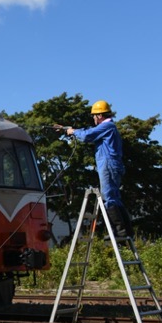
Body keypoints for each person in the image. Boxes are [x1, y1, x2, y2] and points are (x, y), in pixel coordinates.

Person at [55, 100, 133, 238]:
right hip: (112, 164)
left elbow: (87, 135)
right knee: (115, 198)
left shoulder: (107, 126)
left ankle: (119, 232)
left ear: (99, 116)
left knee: (108, 197)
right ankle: (126, 231)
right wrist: (69, 130)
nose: (93, 118)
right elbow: (89, 132)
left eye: (94, 116)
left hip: (108, 164)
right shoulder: (109, 127)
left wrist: (73, 131)